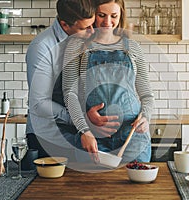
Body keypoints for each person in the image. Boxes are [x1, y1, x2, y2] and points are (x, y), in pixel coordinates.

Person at [25, 0, 120, 161]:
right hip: (49, 136)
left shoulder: (81, 39)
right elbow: (39, 103)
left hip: (79, 132)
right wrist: (82, 120)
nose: (92, 31)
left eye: (92, 25)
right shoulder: (42, 47)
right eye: (84, 28)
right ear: (64, 25)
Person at [62, 0, 154, 163]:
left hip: (132, 136)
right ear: (93, 15)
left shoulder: (132, 47)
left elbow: (146, 95)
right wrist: (84, 130)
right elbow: (70, 94)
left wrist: (145, 117)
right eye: (101, 15)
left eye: (114, 16)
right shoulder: (77, 46)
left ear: (121, 16)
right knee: (94, 186)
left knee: (135, 186)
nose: (107, 22)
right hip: (94, 136)